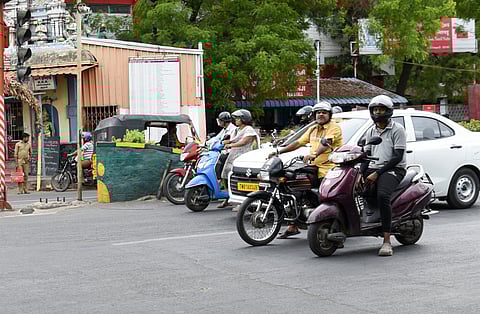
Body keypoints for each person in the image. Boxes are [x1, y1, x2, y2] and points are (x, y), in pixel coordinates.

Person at [268, 101, 343, 238]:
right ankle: (293, 225)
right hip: (313, 167)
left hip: (329, 168)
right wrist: (279, 151)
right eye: (318, 112)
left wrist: (314, 154)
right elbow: (298, 142)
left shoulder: (334, 128)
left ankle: (333, 228)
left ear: (329, 115)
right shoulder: (313, 128)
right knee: (294, 186)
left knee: (325, 196)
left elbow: (326, 144)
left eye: (324, 112)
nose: (321, 115)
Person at [360, 95, 407, 257]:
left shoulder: (397, 129)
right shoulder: (370, 131)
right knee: (353, 188)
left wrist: (377, 173)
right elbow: (366, 155)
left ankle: (387, 241)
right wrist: (360, 173)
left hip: (394, 169)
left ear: (388, 112)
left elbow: (397, 157)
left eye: (381, 110)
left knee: (382, 195)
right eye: (375, 110)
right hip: (374, 168)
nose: (378, 113)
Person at [219, 109, 260, 209]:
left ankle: (242, 202)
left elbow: (244, 142)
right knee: (225, 175)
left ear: (243, 119)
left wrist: (230, 145)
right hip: (233, 155)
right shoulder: (237, 130)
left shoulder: (248, 129)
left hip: (243, 156)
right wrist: (224, 142)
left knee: (240, 179)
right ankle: (229, 197)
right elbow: (234, 139)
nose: (236, 120)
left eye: (238, 118)